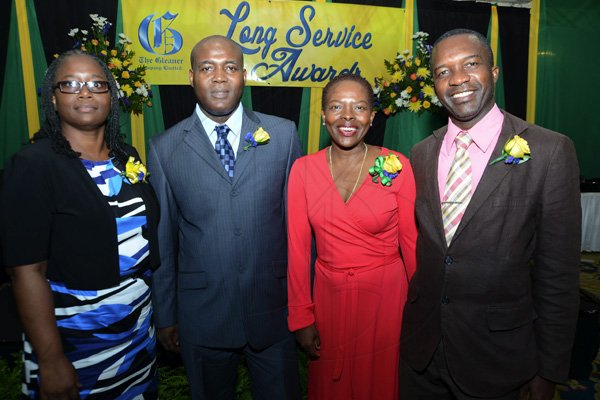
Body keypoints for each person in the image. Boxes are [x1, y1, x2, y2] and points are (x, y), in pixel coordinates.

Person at [400, 28, 581, 400]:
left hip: (497, 359)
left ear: (494, 73)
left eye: (471, 64)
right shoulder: (421, 154)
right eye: (443, 71)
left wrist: (548, 371)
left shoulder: (548, 151)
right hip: (422, 354)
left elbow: (559, 274)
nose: (458, 79)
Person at [147, 35, 302, 399]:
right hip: (202, 315)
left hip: (273, 309)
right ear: (190, 77)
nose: (219, 77)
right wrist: (166, 314)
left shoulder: (281, 134)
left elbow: (298, 227)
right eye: (207, 68)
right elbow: (164, 240)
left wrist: (303, 304)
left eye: (230, 67)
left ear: (244, 76)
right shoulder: (164, 148)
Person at [0, 50, 160, 399]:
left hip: (136, 335)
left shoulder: (125, 157)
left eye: (97, 84)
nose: (85, 92)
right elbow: (26, 271)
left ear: (111, 97)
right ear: (54, 98)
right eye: (71, 84)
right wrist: (51, 358)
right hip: (76, 340)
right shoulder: (32, 165)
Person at [287, 73, 418, 399]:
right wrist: (301, 315)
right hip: (329, 300)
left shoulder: (397, 166)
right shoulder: (303, 170)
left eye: (359, 107)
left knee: (380, 385)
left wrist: (420, 313)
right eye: (336, 107)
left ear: (372, 116)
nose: (347, 117)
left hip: (386, 301)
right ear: (323, 115)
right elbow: (298, 250)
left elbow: (412, 246)